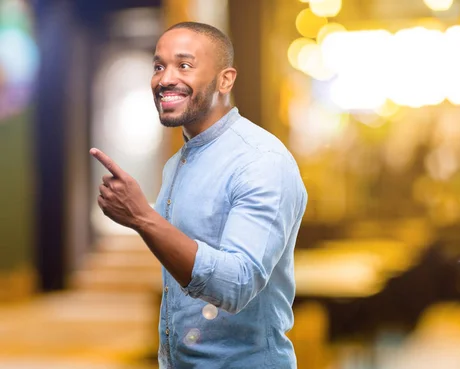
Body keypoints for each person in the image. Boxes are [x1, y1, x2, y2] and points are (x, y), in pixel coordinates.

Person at [90, 22, 307, 369]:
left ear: (225, 80)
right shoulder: (177, 164)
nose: (165, 79)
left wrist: (142, 217)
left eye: (184, 65)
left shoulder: (261, 161)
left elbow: (236, 285)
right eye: (158, 66)